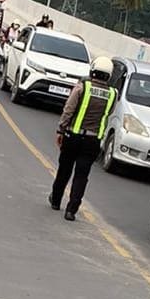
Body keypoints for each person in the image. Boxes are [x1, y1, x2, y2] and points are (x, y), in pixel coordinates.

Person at [50, 55, 118, 221]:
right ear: (108, 75)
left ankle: (56, 200)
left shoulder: (82, 87)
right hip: (93, 142)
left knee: (64, 169)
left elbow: (69, 109)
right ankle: (71, 210)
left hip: (73, 136)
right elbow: (108, 113)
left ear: (92, 70)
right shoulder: (112, 94)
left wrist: (61, 130)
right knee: (82, 175)